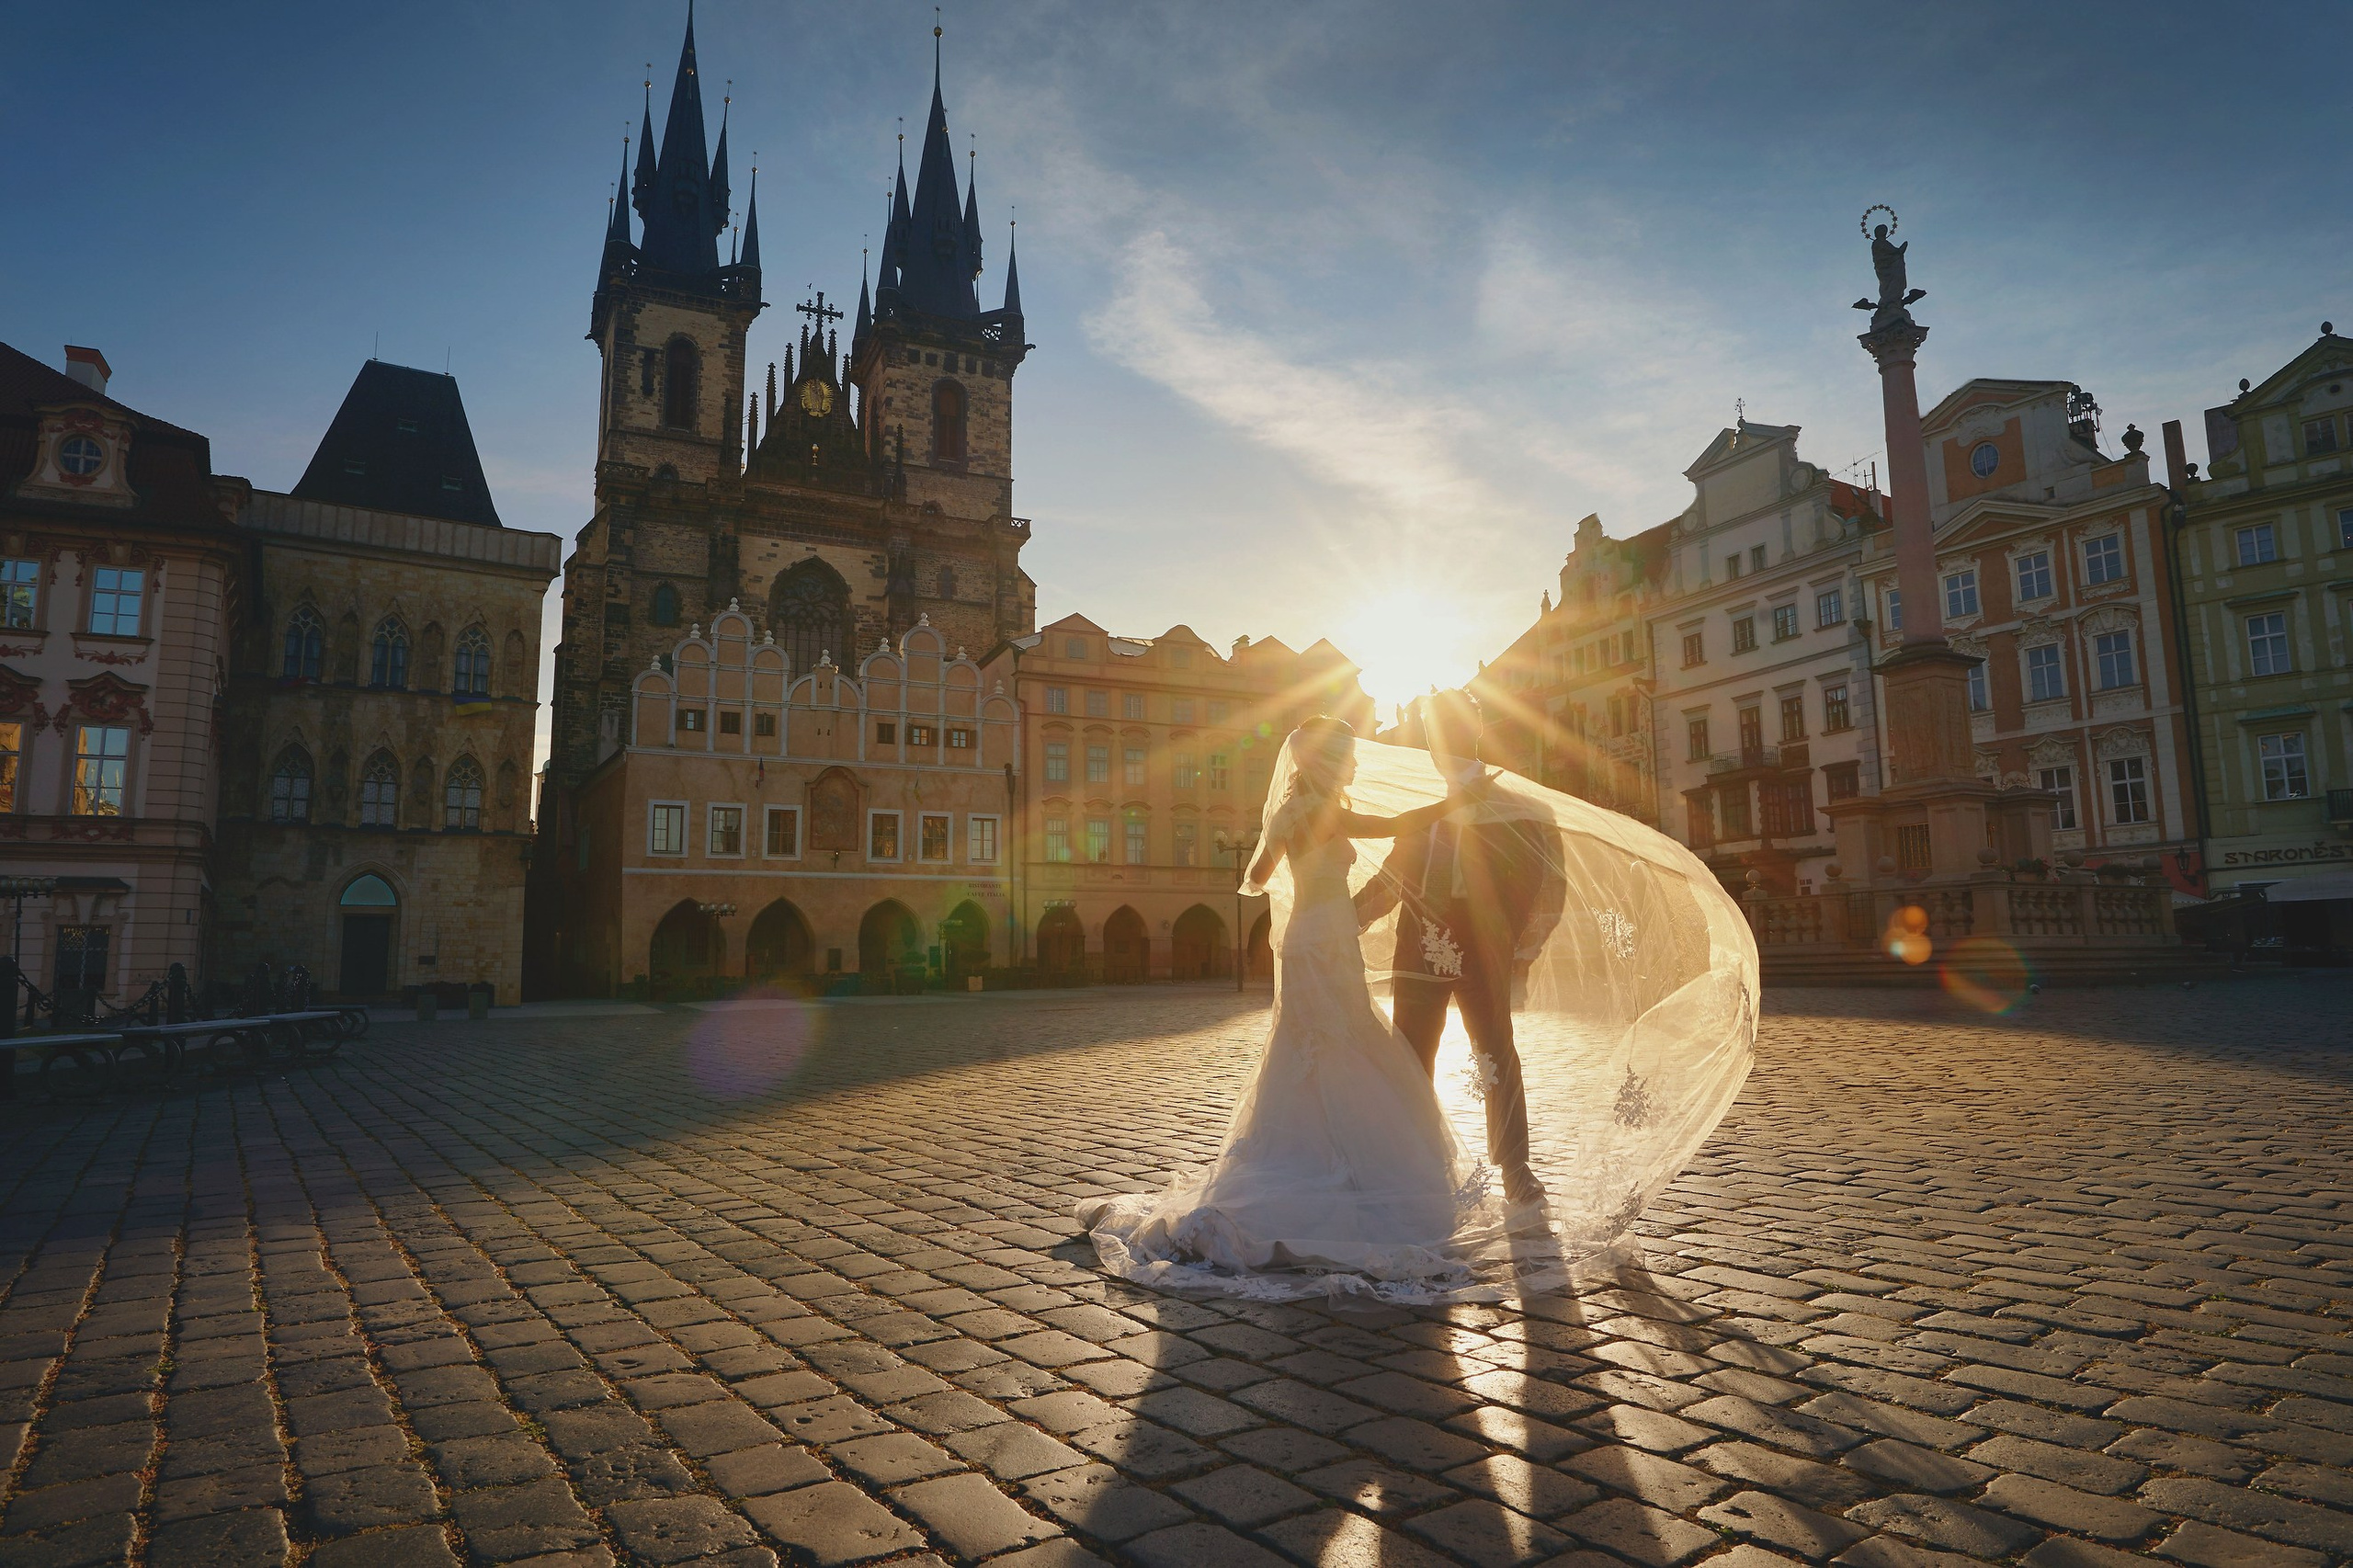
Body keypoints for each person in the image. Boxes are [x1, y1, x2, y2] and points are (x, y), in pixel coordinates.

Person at [1074, 717, 1490, 1298]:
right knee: (1344, 1042)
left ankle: (1309, 1151)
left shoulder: (1288, 814)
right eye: (1344, 754)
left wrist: (1287, 862)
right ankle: (1346, 1167)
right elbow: (1393, 825)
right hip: (1327, 941)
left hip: (1305, 938)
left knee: (1310, 1045)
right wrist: (1454, 802)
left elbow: (1256, 876)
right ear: (1324, 760)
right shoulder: (1324, 810)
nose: (1352, 763)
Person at [1355, 690, 1563, 1204]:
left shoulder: (1519, 805)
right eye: (1429, 735)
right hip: (1419, 946)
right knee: (1412, 1058)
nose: (1435, 744)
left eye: (1445, 732)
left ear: (1474, 730)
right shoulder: (1422, 810)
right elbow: (1391, 880)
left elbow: (1549, 883)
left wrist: (1523, 947)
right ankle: (1416, 1165)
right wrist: (1340, 918)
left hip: (1483, 946)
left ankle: (1516, 1168)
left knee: (1495, 1053)